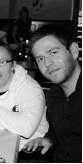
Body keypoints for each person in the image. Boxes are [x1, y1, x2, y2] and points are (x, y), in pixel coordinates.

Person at [23, 25, 81, 163]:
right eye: (40, 59)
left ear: (73, 51)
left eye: (53, 52)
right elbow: (61, 132)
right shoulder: (53, 95)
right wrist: (49, 140)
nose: (47, 63)